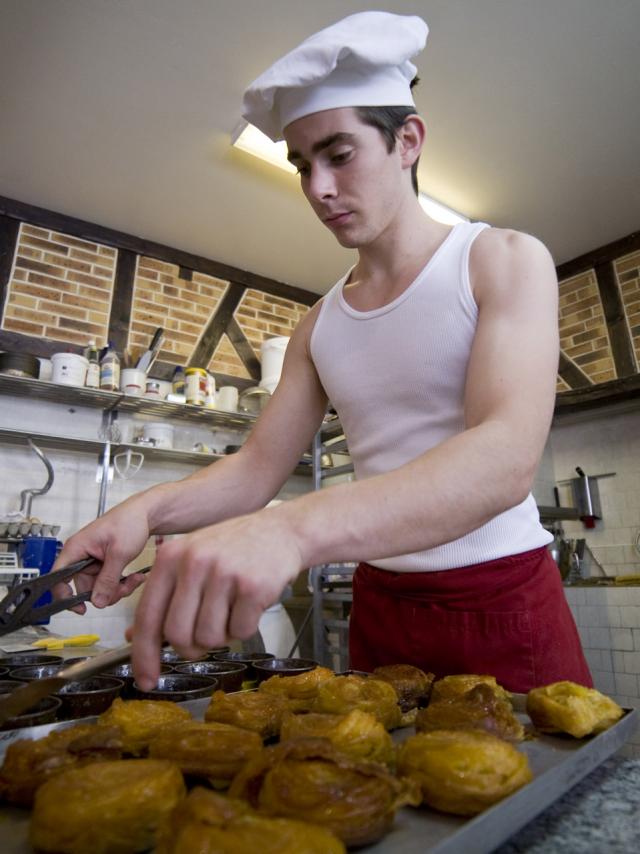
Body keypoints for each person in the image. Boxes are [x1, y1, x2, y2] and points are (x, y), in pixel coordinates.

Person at [54, 11, 592, 693]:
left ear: (408, 141)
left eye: (339, 155)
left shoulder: (501, 260)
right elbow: (256, 469)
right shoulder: (320, 324)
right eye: (303, 165)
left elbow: (502, 460)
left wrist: (293, 533)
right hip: (383, 606)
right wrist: (144, 511)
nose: (318, 189)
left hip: (502, 602)